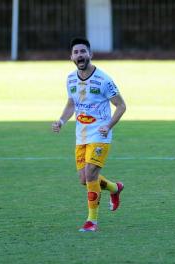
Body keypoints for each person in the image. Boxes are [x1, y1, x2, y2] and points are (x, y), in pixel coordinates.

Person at [52, 37, 126, 232]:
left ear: (90, 54)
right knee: (84, 180)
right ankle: (114, 188)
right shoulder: (70, 79)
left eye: (83, 51)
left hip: (100, 134)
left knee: (91, 174)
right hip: (81, 135)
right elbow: (71, 104)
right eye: (76, 52)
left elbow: (121, 105)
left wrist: (109, 126)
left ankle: (91, 221)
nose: (80, 55)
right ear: (71, 57)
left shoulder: (104, 80)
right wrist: (61, 120)